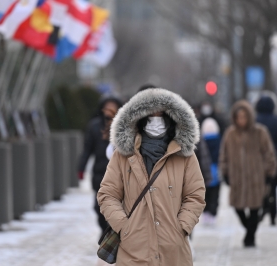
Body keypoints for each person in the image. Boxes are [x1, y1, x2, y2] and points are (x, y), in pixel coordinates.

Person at [98, 88, 206, 265]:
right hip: (133, 251)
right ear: (140, 118)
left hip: (173, 251)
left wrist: (182, 227)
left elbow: (195, 194)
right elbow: (107, 194)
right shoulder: (123, 155)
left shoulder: (184, 154)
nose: (156, 120)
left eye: (161, 114)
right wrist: (125, 227)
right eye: (150, 115)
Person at [219, 100, 277, 247]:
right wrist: (225, 173)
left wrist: (269, 174)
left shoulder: (260, 132)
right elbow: (223, 155)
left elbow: (269, 154)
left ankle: (249, 237)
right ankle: (250, 230)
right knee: (238, 207)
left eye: (244, 116)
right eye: (239, 117)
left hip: (256, 178)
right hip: (237, 178)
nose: (242, 120)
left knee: (255, 208)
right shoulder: (230, 134)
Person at [78, 97, 123, 235]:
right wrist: (81, 168)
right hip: (100, 173)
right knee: (99, 207)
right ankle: (105, 231)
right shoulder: (94, 126)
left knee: (116, 206)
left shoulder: (124, 124)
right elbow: (87, 149)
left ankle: (114, 232)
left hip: (119, 175)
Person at [256, 96, 277, 225]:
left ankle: (263, 208)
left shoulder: (255, 121)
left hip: (259, 160)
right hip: (274, 158)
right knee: (273, 187)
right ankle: (273, 214)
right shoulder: (275, 120)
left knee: (261, 187)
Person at [201, 117, 222, 226]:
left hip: (204, 171)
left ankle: (206, 213)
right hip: (216, 171)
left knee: (205, 194)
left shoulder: (201, 140)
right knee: (215, 194)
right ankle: (213, 213)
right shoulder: (219, 140)